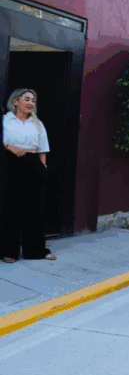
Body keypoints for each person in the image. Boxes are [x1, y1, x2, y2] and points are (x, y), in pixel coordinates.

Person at [1, 89, 55, 263]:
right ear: (15, 102)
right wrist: (9, 147)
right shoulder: (5, 120)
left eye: (33, 100)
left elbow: (43, 148)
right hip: (10, 164)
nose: (31, 103)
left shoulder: (37, 123)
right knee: (10, 207)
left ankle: (35, 250)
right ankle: (9, 251)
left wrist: (42, 168)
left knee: (34, 208)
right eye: (27, 99)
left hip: (32, 164)